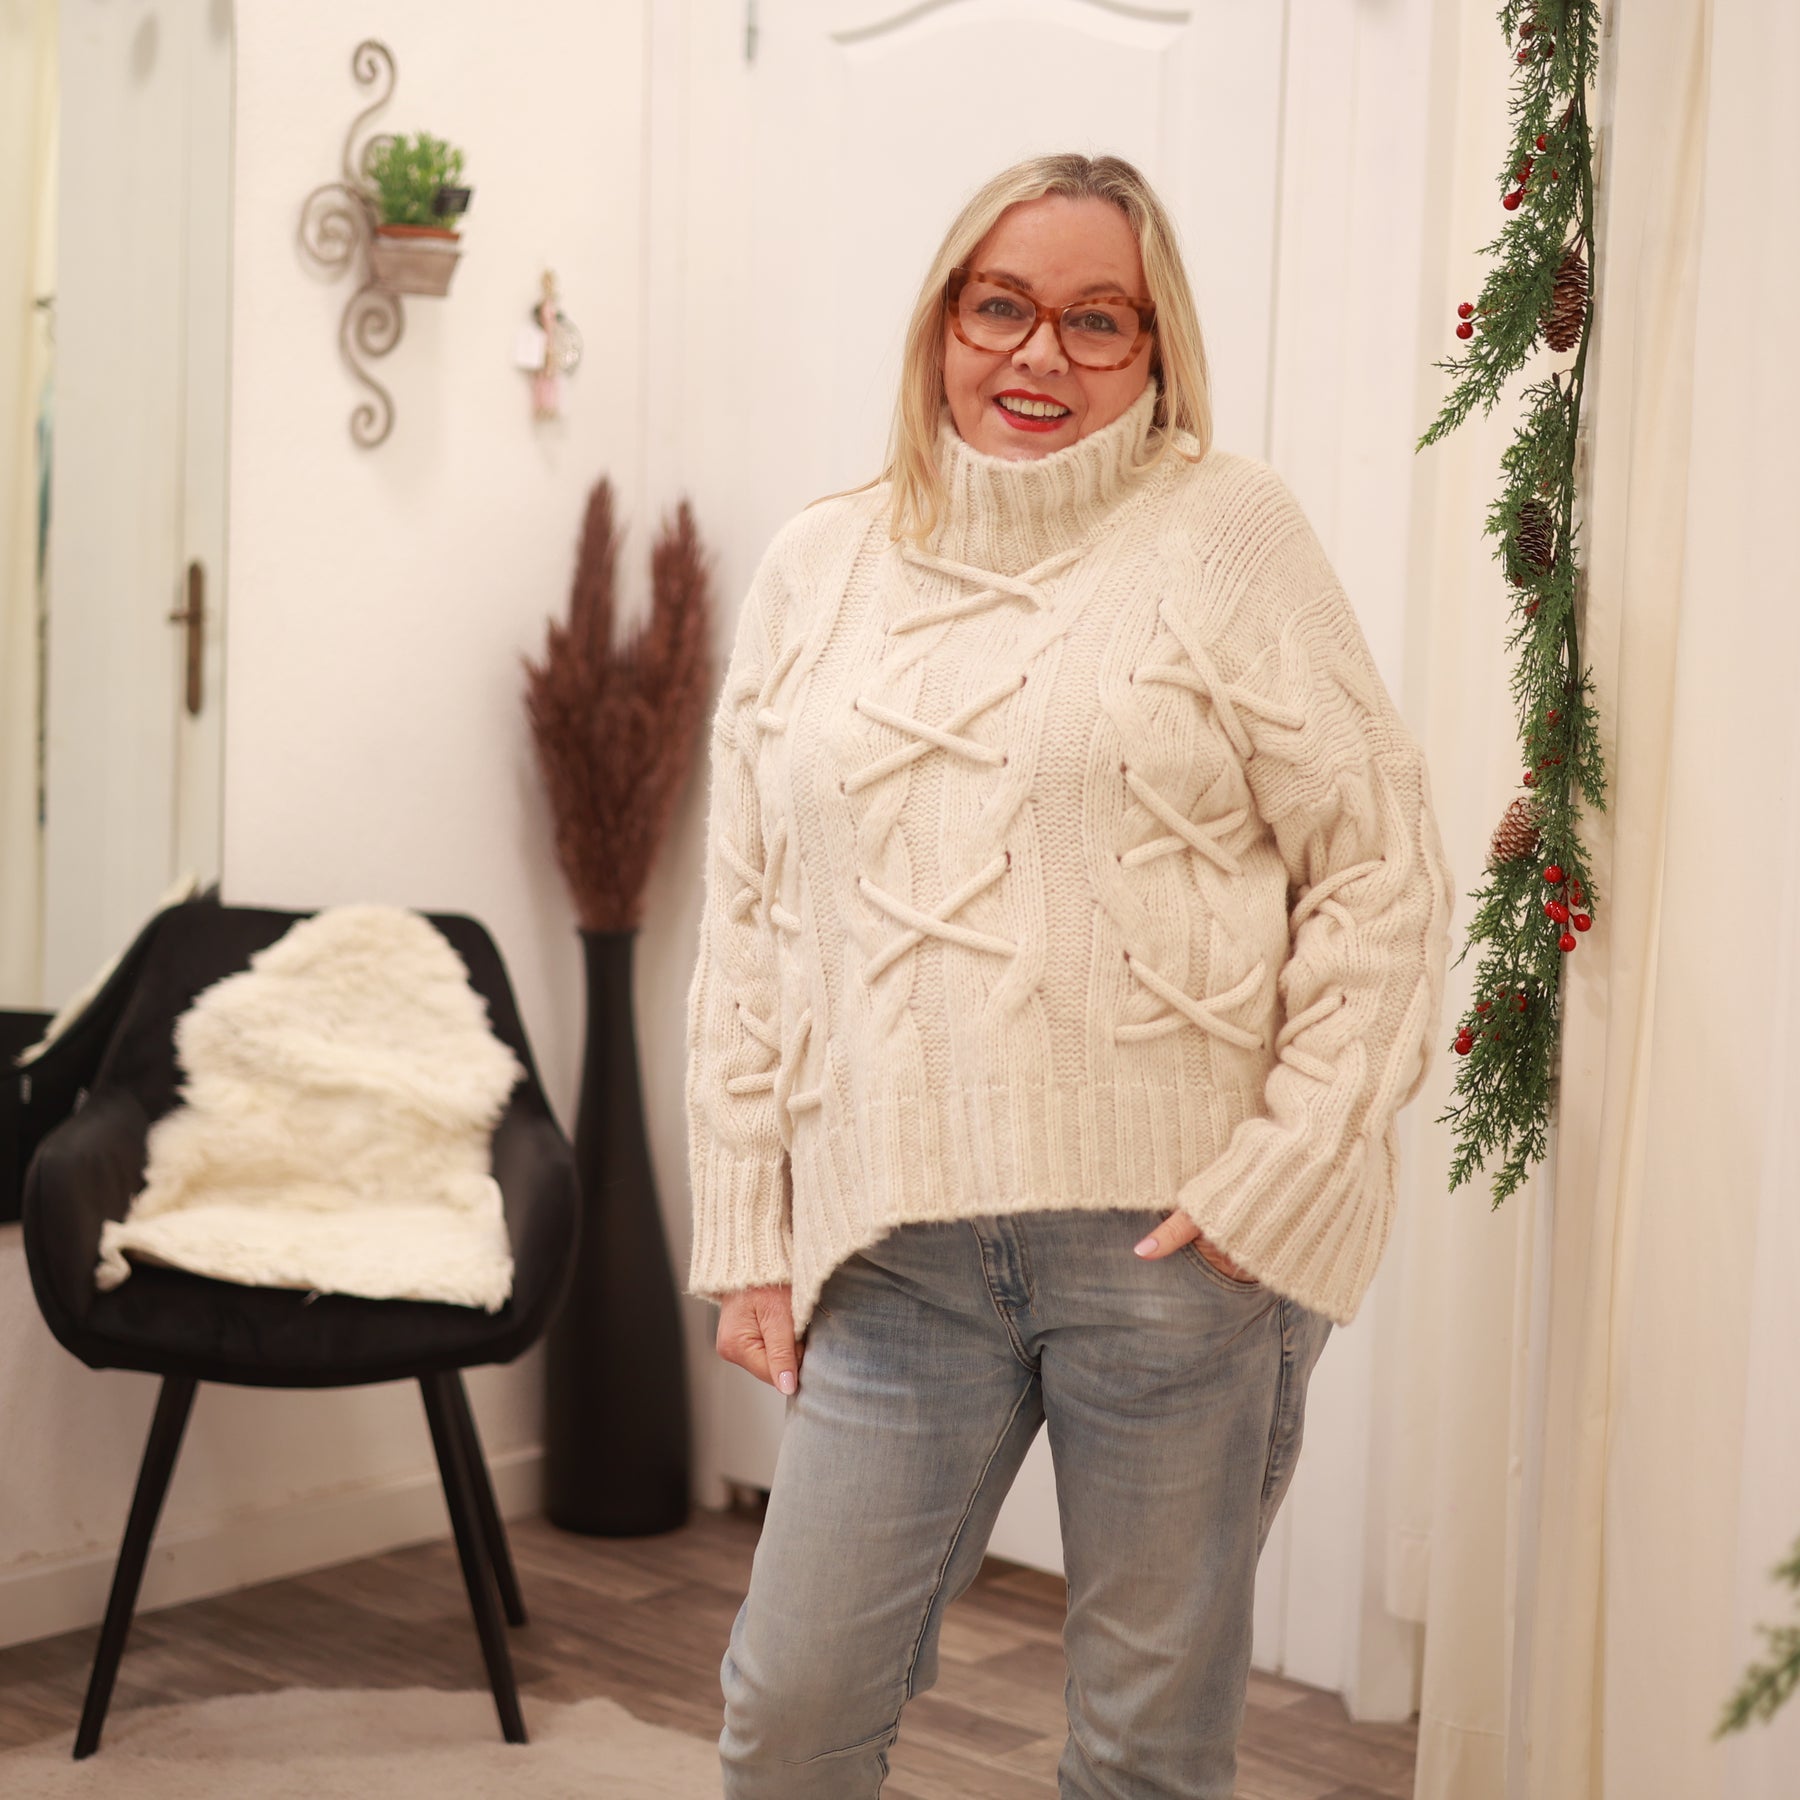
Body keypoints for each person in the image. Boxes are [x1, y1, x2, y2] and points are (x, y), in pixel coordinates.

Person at [683, 151, 1454, 1799]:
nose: (1041, 355)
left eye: (1097, 321)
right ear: (943, 323)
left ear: (1154, 349)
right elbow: (749, 916)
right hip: (894, 1247)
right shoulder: (817, 563)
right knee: (789, 1716)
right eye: (1003, 308)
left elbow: (1380, 865)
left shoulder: (1228, 534)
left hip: (1176, 1250)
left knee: (1141, 1753)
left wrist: (1285, 1167)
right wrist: (750, 1227)